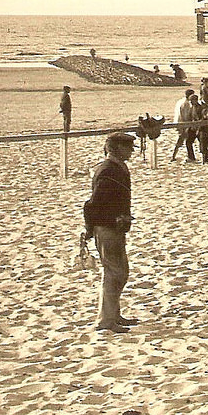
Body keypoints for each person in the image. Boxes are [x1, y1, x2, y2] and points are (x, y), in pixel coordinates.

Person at [83, 132, 137, 333]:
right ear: (116, 148)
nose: (131, 151)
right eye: (128, 147)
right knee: (115, 273)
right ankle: (105, 320)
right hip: (107, 227)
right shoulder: (108, 170)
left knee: (119, 272)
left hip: (113, 227)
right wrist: (113, 219)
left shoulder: (114, 167)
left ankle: (113, 314)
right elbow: (93, 205)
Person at [169, 89, 197, 162]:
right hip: (183, 123)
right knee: (182, 140)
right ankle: (174, 156)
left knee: (183, 140)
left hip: (178, 122)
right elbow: (185, 116)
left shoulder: (180, 101)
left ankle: (175, 156)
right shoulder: (186, 104)